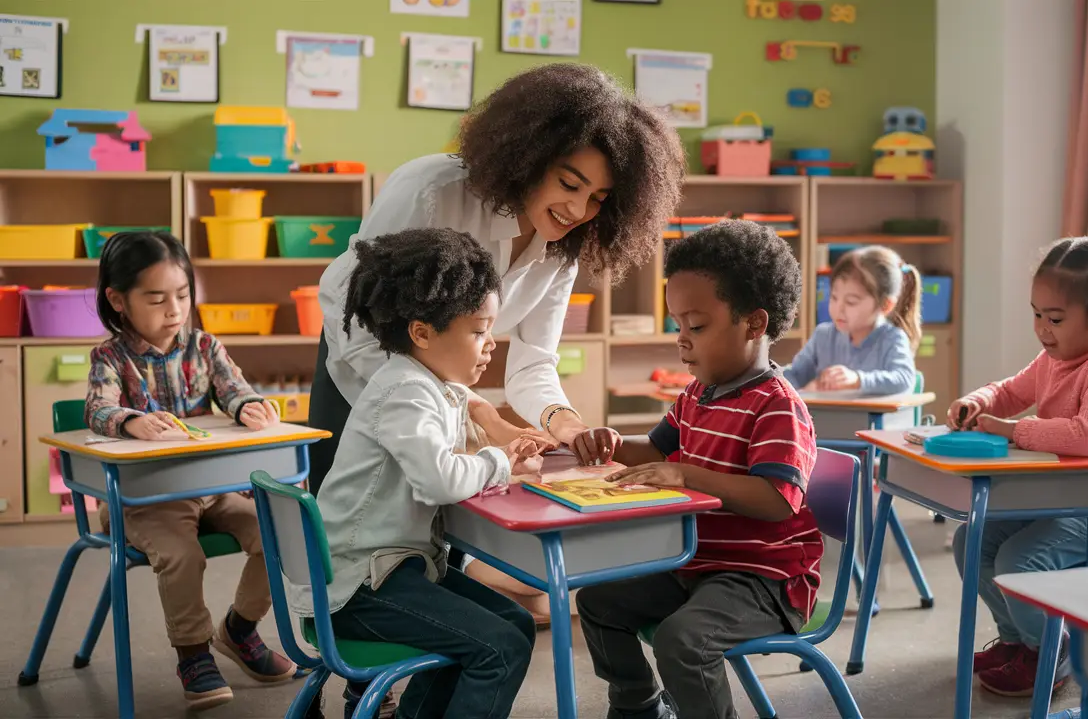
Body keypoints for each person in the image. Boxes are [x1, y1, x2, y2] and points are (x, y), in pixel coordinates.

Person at [308, 62, 683, 717]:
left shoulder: (565, 246)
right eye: (570, 183)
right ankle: (360, 687)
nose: (578, 208)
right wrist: (470, 410)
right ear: (529, 154)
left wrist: (565, 427)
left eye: (599, 198)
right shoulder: (433, 188)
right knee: (363, 532)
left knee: (430, 540)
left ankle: (404, 676)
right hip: (364, 364)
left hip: (444, 380)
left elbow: (534, 362)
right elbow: (354, 306)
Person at [290, 228, 545, 719]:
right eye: (477, 330)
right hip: (359, 589)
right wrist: (503, 463)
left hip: (387, 569)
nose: (491, 344)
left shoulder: (428, 384)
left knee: (512, 622)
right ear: (423, 332)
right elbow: (440, 480)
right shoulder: (407, 391)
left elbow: (441, 459)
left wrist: (502, 458)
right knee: (497, 649)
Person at [574, 220, 823, 719]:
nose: (682, 341)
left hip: (765, 579)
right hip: (696, 562)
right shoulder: (697, 394)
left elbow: (777, 499)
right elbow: (655, 450)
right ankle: (639, 707)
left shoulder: (776, 406)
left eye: (697, 326)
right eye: (678, 326)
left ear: (754, 324)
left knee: (682, 642)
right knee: (599, 602)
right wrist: (608, 443)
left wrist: (686, 475)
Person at [947, 236, 1088, 697]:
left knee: (1020, 561)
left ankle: (1055, 654)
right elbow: (1011, 390)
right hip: (1069, 498)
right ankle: (1021, 643)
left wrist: (1011, 430)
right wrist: (980, 401)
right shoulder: (1056, 357)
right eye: (1036, 314)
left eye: (1055, 319)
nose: (1042, 329)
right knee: (970, 539)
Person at [84, 231, 293, 711]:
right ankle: (193, 652)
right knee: (182, 554)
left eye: (182, 295)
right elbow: (96, 410)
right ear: (118, 300)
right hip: (144, 499)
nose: (174, 309)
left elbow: (235, 388)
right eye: (156, 299)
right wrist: (131, 421)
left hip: (212, 489)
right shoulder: (110, 357)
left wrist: (251, 407)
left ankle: (239, 630)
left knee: (278, 530)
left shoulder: (205, 346)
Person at [784, 245, 922, 394]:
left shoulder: (892, 338)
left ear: (885, 305)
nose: (839, 308)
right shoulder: (823, 336)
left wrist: (858, 380)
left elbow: (904, 379)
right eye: (834, 297)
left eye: (851, 302)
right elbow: (796, 375)